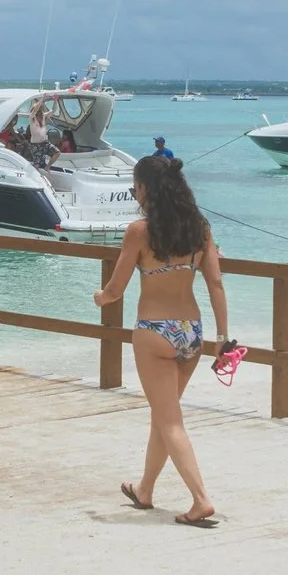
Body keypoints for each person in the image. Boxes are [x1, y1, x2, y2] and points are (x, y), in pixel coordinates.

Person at [94, 155, 228, 527]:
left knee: (170, 421)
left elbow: (116, 289)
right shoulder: (199, 228)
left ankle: (201, 500)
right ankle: (145, 489)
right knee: (164, 414)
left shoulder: (139, 231)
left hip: (154, 331)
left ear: (145, 189)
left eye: (135, 186)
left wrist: (100, 298)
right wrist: (224, 336)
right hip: (191, 331)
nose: (134, 193)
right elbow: (215, 283)